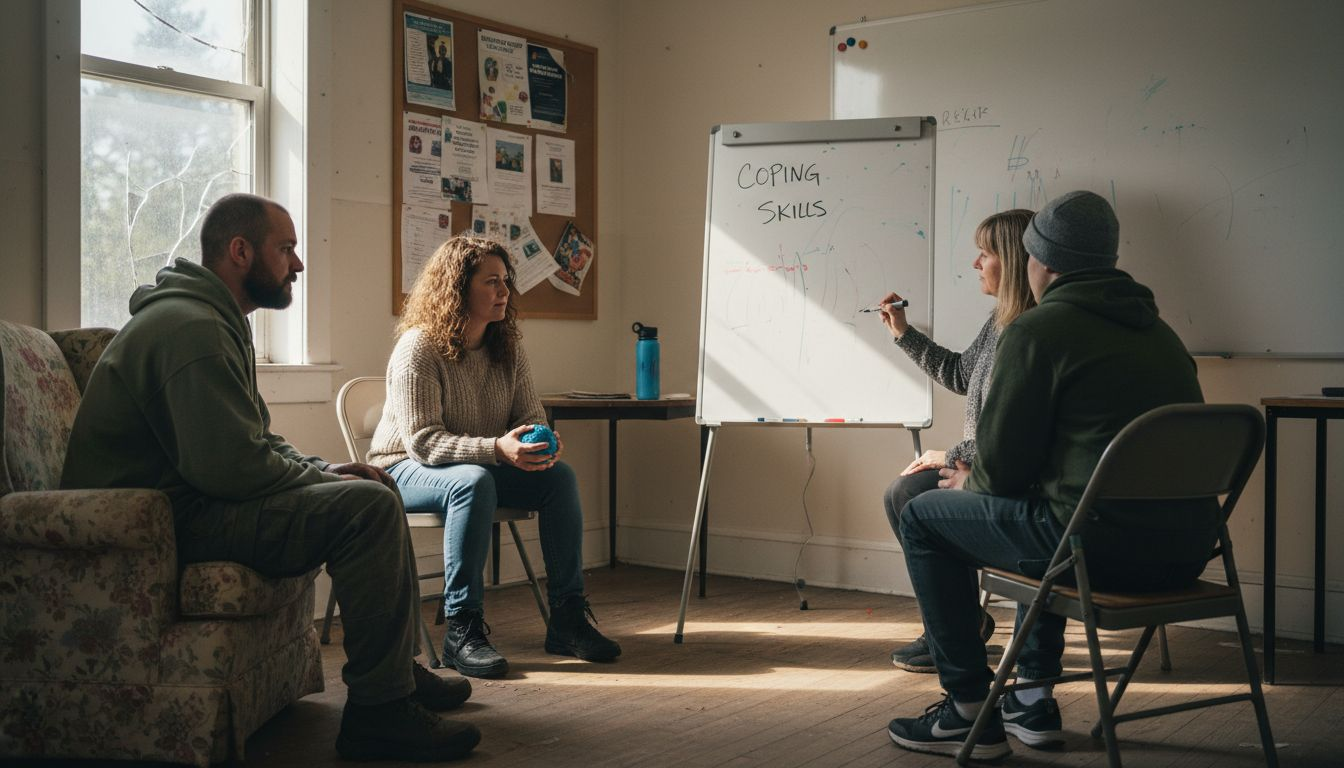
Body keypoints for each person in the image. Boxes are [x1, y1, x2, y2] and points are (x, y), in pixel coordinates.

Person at [60, 194, 480, 763]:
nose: (298, 264)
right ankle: (379, 717)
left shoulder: (209, 319)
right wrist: (325, 481)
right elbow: (231, 468)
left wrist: (327, 470)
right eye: (286, 250)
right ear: (240, 252)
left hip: (191, 501)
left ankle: (393, 676)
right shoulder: (190, 330)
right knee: (369, 508)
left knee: (372, 488)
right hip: (154, 526)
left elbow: (250, 440)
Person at [885, 191, 1211, 761]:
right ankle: (1031, 695)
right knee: (1054, 511)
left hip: (1096, 555)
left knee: (920, 514)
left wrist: (970, 479)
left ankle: (966, 710)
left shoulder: (1040, 331)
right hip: (1184, 555)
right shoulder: (1164, 337)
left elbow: (1003, 473)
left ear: (1042, 262)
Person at [366, 235, 620, 680]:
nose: (504, 292)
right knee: (472, 482)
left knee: (558, 479)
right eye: (491, 282)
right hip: (401, 468)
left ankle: (566, 619)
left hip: (477, 464)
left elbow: (529, 416)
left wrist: (541, 446)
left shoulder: (507, 347)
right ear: (457, 287)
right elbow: (424, 442)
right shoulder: (418, 347)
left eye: (505, 281)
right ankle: (462, 629)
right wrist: (497, 449)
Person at [877, 209, 1036, 673]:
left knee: (909, 494)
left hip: (1003, 475)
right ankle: (957, 624)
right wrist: (904, 334)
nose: (975, 263)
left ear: (1010, 259)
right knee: (903, 491)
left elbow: (1012, 432)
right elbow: (961, 374)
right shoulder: (1000, 319)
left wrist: (953, 455)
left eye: (984, 253)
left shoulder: (1032, 332)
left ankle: (954, 632)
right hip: (980, 464)